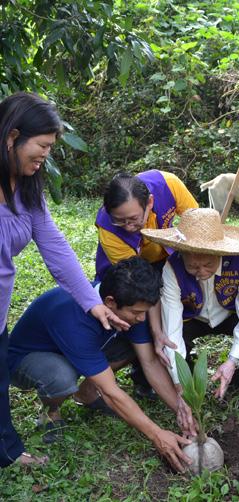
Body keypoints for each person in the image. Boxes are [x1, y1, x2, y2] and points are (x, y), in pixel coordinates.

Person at [0, 92, 127, 468]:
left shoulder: (25, 189)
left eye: (50, 147)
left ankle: (6, 453)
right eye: (41, 145)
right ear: (12, 137)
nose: (45, 155)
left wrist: (92, 302)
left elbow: (56, 249)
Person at [8, 257, 195, 472]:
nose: (142, 319)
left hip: (80, 349)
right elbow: (111, 393)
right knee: (62, 376)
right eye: (136, 313)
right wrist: (157, 435)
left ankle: (86, 392)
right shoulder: (73, 318)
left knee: (138, 346)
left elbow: (150, 362)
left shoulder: (131, 304)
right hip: (28, 359)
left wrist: (181, 408)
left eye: (145, 311)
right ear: (110, 302)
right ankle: (51, 411)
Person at [141, 208, 239, 399]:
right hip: (192, 317)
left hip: (229, 314)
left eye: (208, 265)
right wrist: (179, 382)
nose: (201, 271)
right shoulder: (172, 267)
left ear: (220, 252)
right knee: (167, 337)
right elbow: (172, 328)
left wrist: (232, 361)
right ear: (182, 254)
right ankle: (190, 384)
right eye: (193, 266)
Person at [95, 171, 199, 398]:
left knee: (182, 307)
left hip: (165, 257)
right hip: (127, 274)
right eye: (119, 220)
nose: (128, 226)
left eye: (133, 219)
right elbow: (139, 285)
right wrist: (155, 330)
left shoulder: (169, 185)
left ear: (149, 202)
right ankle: (142, 377)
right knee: (138, 320)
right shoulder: (109, 230)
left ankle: (181, 361)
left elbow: (197, 224)